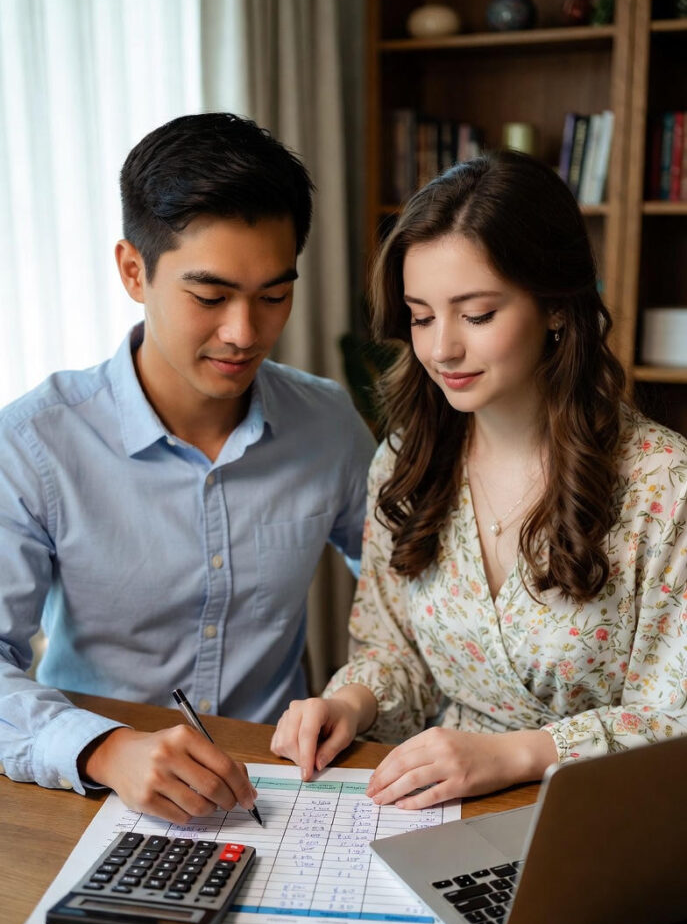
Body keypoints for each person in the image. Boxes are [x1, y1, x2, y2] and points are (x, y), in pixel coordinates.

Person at [271, 150, 687, 808]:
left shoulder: (662, 486)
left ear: (554, 307)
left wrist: (516, 755)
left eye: (477, 313)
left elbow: (674, 719)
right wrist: (349, 703)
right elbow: (395, 652)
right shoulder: (406, 462)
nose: (441, 349)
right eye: (421, 314)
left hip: (604, 818)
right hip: (440, 807)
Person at [0, 112, 376, 822]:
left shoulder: (325, 424)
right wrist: (103, 749)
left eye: (273, 296)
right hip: (91, 791)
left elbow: (410, 590)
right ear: (132, 271)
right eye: (209, 297)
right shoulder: (34, 443)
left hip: (279, 786)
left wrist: (355, 694)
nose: (244, 333)